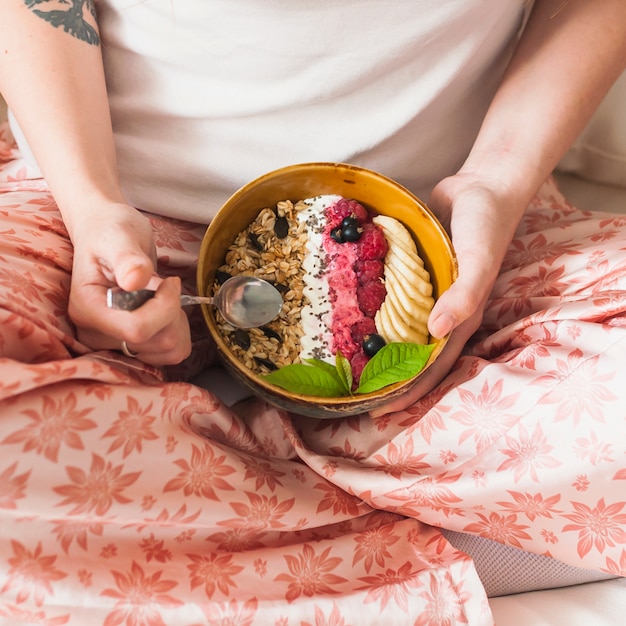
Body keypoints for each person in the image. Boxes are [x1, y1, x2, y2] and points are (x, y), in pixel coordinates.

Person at [0, 1, 625, 624]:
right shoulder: (91, 210)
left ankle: (211, 507)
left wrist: (496, 179)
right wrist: (91, 205)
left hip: (459, 224)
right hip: (94, 210)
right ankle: (428, 504)